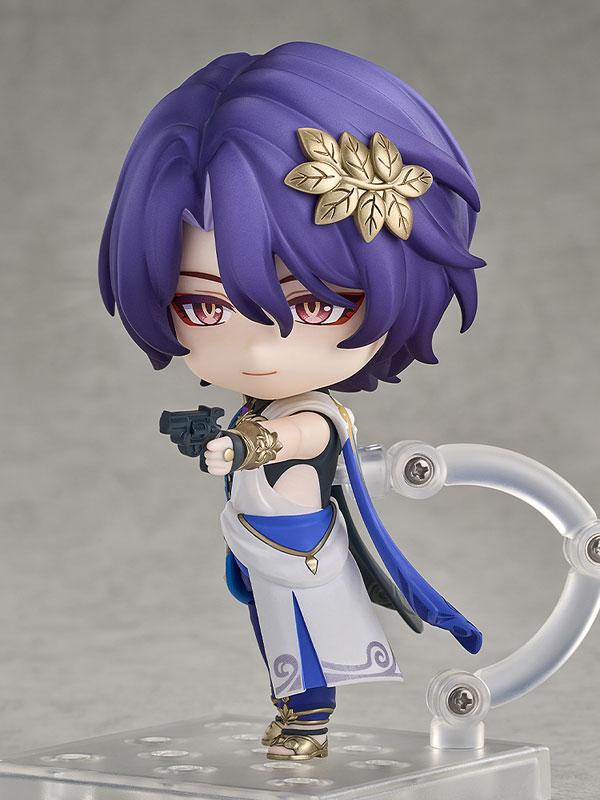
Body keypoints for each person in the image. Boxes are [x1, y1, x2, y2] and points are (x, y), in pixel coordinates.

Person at [99, 41, 485, 761]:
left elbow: (300, 437)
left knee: (307, 642)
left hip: (305, 553)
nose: (257, 351)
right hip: (262, 548)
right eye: (205, 307)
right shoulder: (253, 405)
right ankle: (292, 715)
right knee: (276, 640)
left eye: (312, 304)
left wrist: (241, 446)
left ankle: (308, 721)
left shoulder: (313, 414)